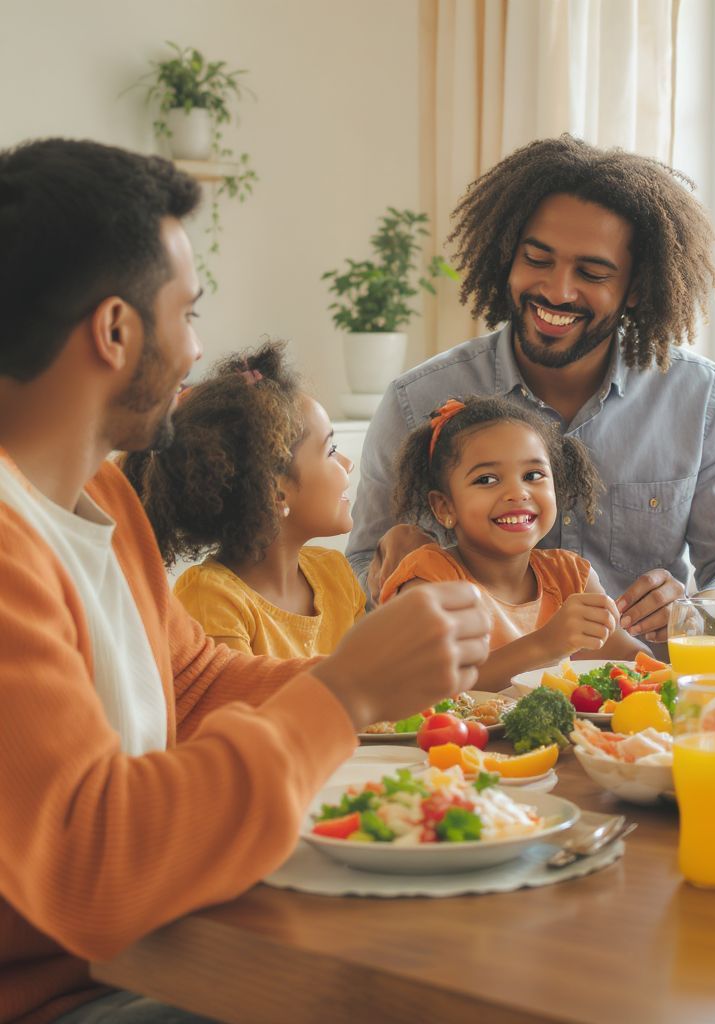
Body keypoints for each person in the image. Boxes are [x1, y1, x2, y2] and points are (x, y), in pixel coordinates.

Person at [0, 138, 489, 1024]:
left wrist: (393, 686)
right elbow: (94, 860)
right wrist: (345, 691)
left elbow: (191, 685)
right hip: (68, 994)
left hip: (150, 954)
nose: (196, 348)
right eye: (187, 313)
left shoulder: (99, 490)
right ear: (114, 331)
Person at [346, 135, 715, 648]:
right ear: (507, 257)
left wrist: (702, 608)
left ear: (637, 289)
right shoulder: (415, 401)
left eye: (592, 273)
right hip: (472, 705)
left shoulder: (700, 398)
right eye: (537, 260)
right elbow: (358, 577)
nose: (557, 291)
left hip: (637, 700)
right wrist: (390, 569)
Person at [381, 396, 646, 688]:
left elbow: (629, 658)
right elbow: (431, 686)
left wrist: (659, 670)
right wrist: (546, 645)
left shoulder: (572, 577)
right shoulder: (431, 582)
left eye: (533, 475)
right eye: (486, 480)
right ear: (445, 507)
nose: (517, 493)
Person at [122, 340, 365, 658]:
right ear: (274, 490)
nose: (348, 463)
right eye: (330, 450)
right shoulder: (212, 598)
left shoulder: (334, 573)